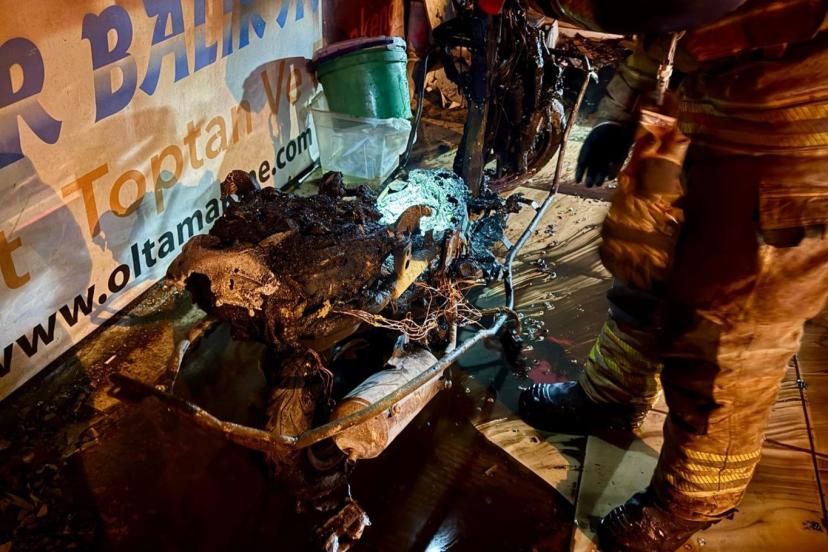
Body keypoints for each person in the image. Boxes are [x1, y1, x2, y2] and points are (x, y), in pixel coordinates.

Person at [517, 1, 828, 550]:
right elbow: (663, 25)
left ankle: (692, 498)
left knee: (728, 335)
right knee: (646, 272)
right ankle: (611, 396)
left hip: (794, 146)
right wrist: (620, 116)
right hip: (703, 112)